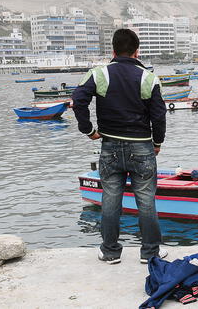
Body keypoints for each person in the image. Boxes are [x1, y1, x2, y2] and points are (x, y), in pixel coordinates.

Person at [72, 28, 168, 265]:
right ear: (137, 51)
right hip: (142, 147)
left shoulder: (99, 74)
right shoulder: (148, 77)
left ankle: (110, 251)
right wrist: (157, 142)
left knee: (111, 198)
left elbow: (78, 101)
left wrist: (88, 130)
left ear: (113, 50)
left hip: (110, 146)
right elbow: (159, 115)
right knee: (146, 200)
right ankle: (150, 253)